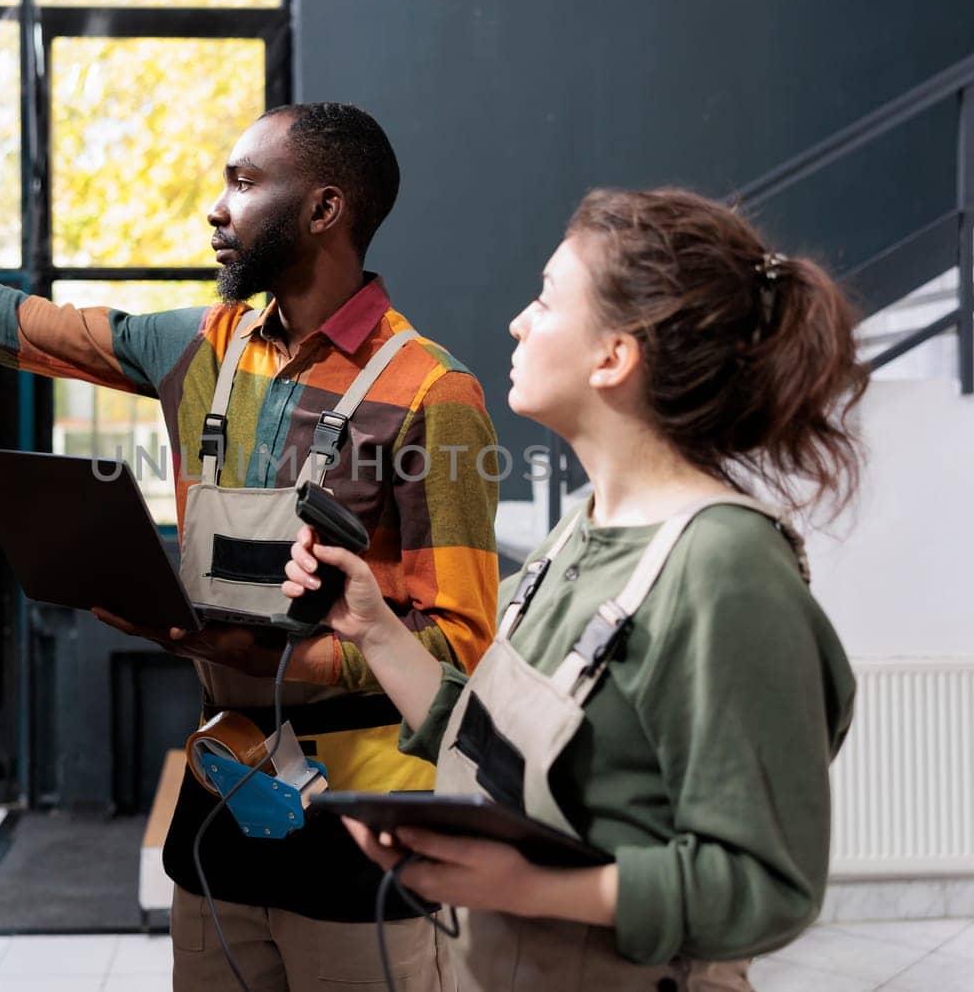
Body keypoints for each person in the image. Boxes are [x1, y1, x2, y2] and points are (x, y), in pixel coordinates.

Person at [0, 102, 499, 991]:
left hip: (365, 828)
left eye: (243, 183)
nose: (218, 207)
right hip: (224, 807)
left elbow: (460, 647)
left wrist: (289, 658)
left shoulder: (435, 391)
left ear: (324, 210)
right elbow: (20, 325)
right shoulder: (201, 346)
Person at [283, 188, 864, 990]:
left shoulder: (724, 569)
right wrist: (376, 627)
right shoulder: (581, 529)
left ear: (613, 356)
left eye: (547, 299)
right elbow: (481, 742)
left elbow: (768, 885)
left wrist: (527, 887)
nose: (520, 321)